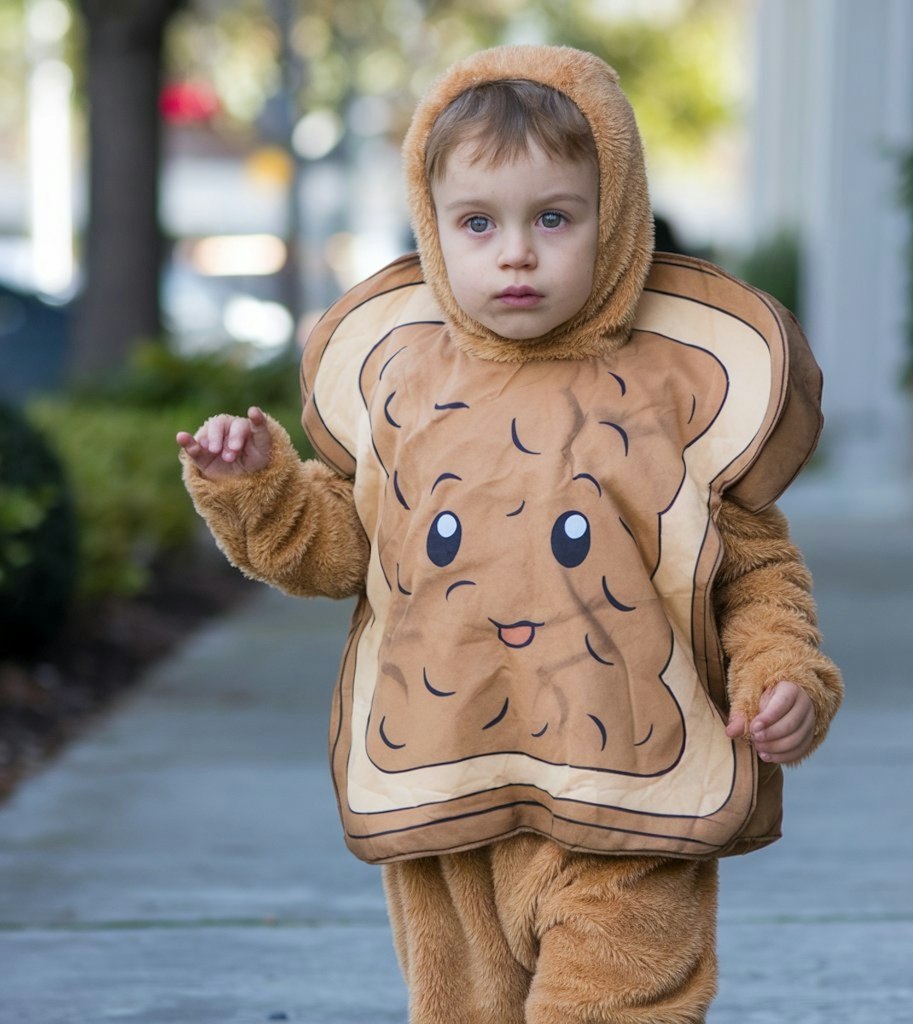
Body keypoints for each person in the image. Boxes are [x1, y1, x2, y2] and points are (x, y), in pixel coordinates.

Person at [177, 44, 842, 1024]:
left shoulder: (673, 388)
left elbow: (753, 566)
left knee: (615, 1005)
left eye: (554, 218)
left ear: (613, 218)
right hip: (450, 794)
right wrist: (255, 488)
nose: (515, 252)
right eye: (478, 222)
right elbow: (336, 550)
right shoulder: (405, 385)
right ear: (431, 225)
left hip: (632, 796)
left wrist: (781, 672)